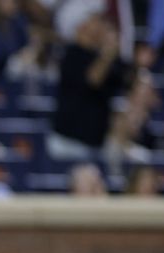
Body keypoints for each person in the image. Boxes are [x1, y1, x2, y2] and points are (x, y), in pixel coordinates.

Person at [47, 0, 129, 160]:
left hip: (96, 143)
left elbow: (126, 80)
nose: (99, 26)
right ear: (81, 25)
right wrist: (108, 54)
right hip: (67, 142)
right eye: (95, 20)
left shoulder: (103, 58)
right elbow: (92, 80)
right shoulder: (72, 54)